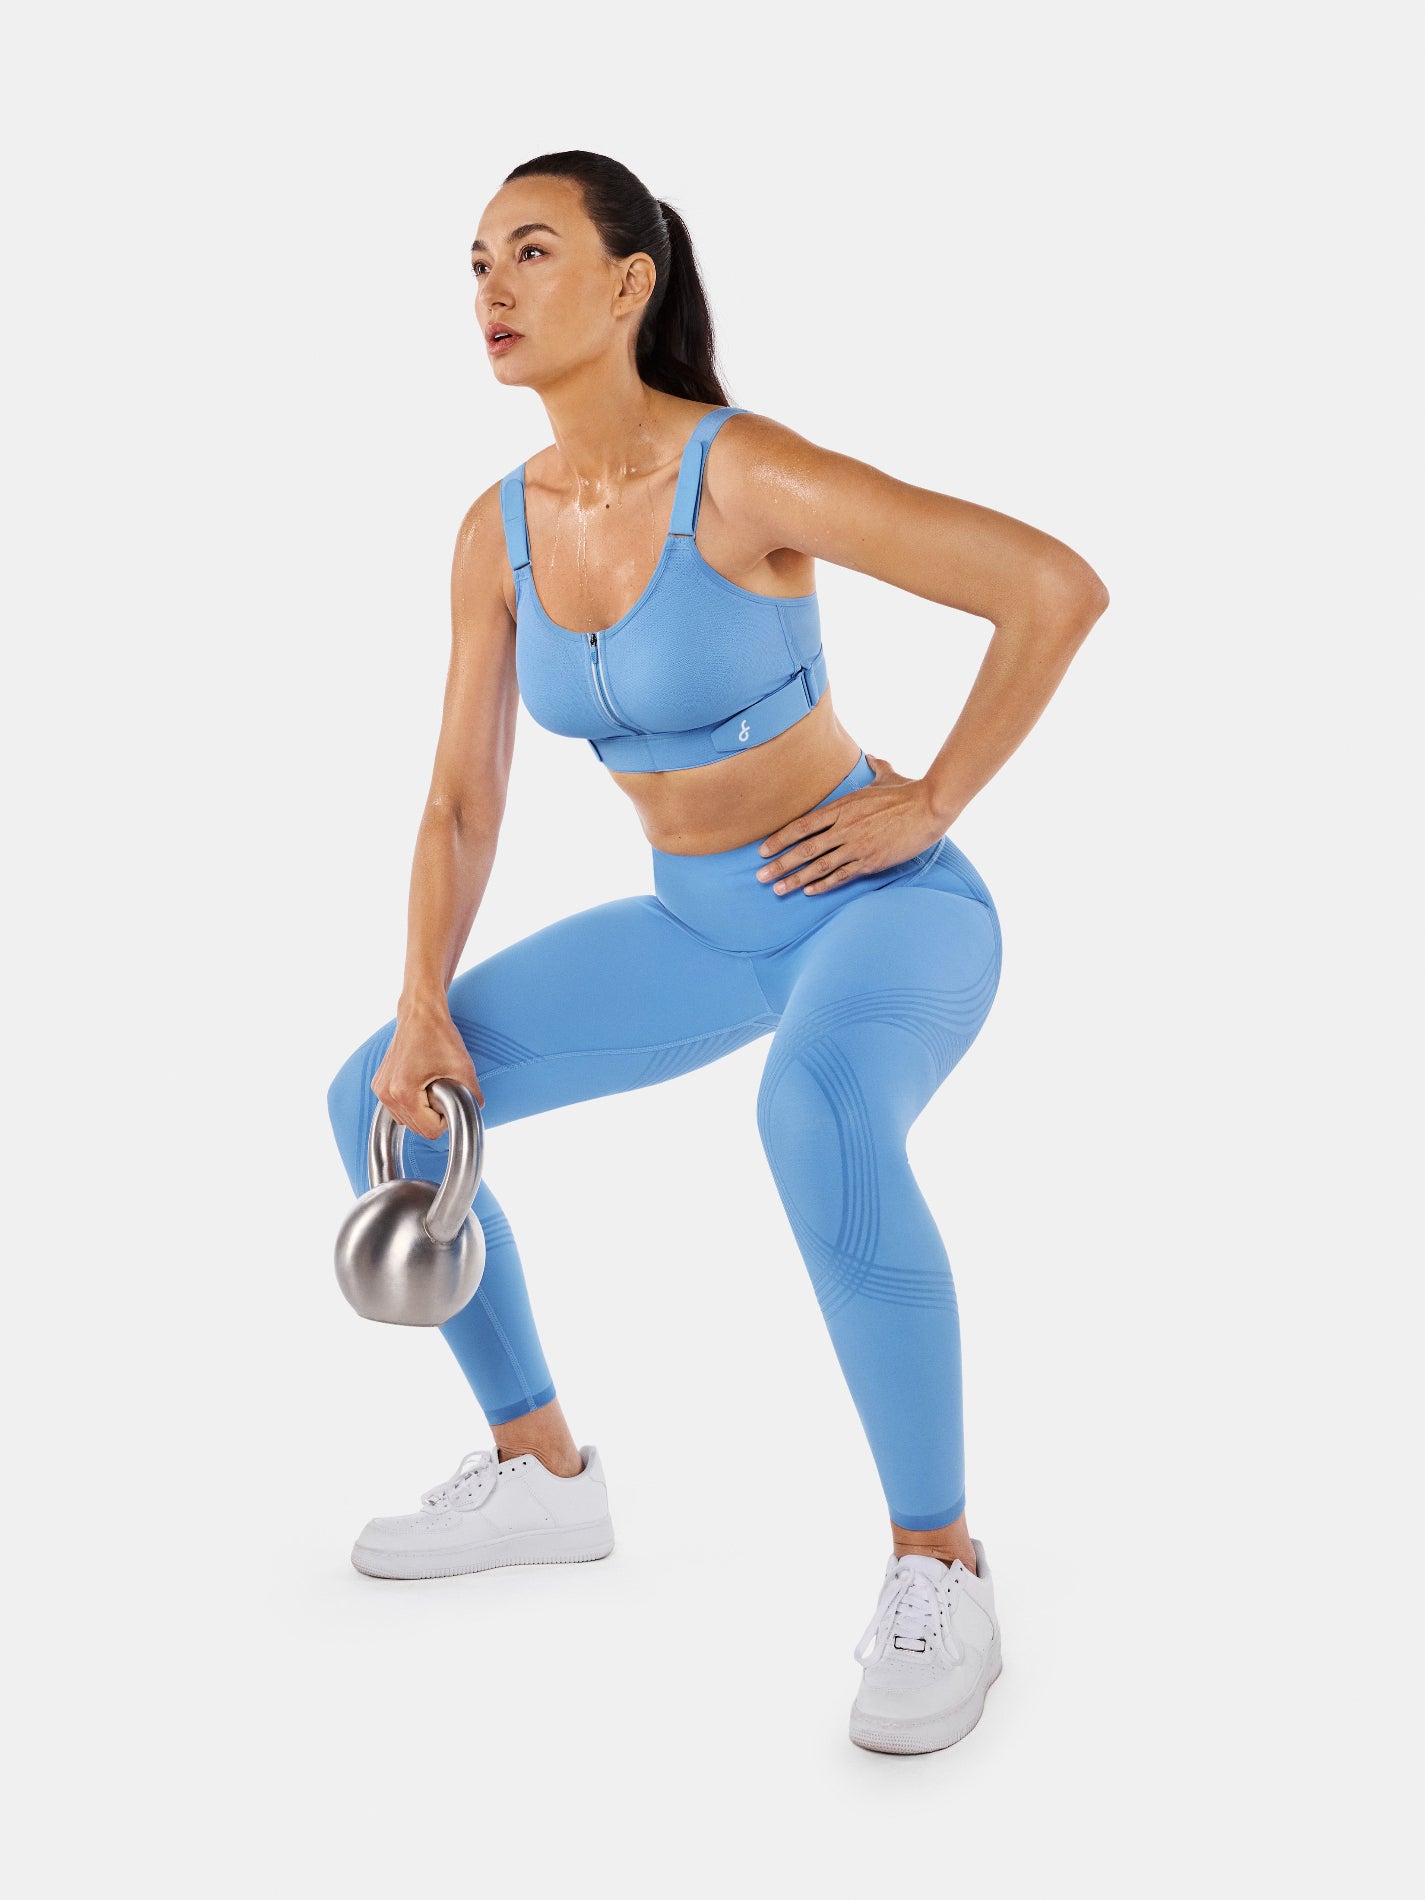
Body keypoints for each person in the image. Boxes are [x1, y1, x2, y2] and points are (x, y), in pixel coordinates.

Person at [326, 148, 1108, 1756]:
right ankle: (542, 1472)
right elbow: (461, 799)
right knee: (387, 1102)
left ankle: (938, 1566)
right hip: (694, 929)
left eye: (530, 252)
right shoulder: (495, 532)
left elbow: (1048, 587)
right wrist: (419, 1005)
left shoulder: (739, 475)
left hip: (880, 912)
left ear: (630, 283)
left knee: (811, 1112)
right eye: (473, 261)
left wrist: (931, 800)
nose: (489, 288)